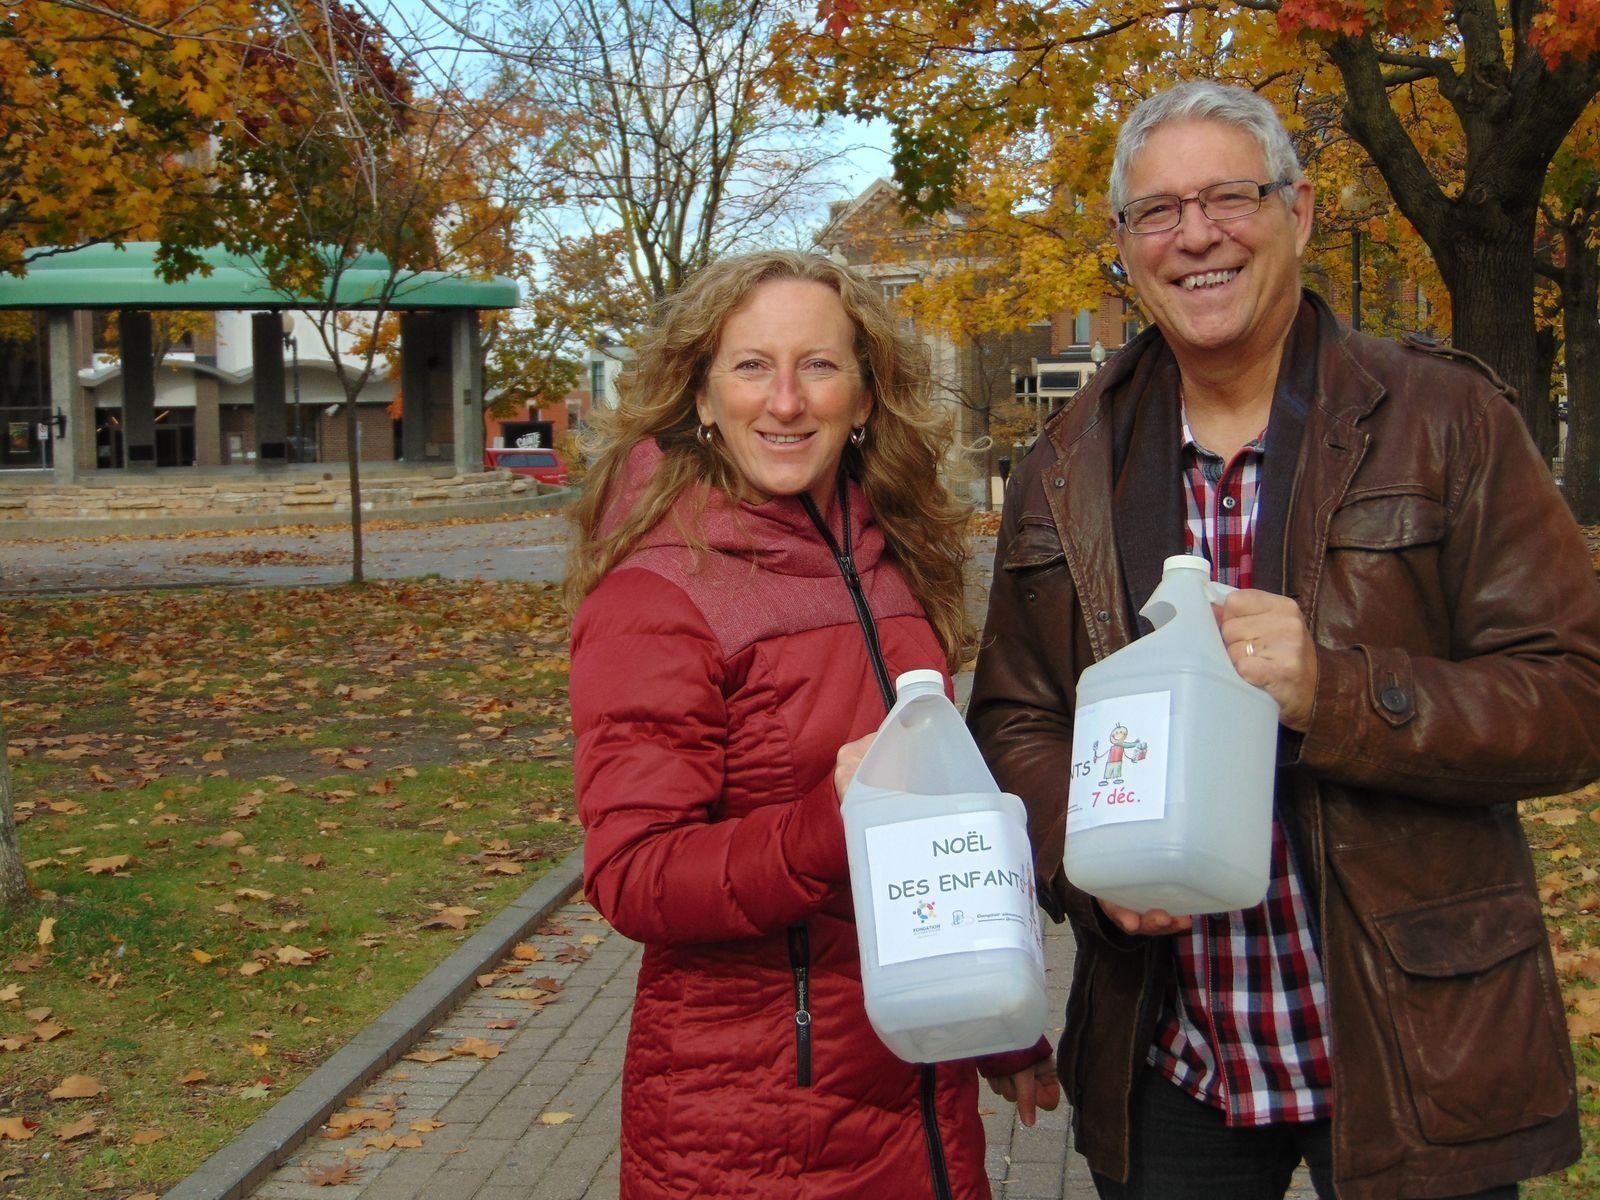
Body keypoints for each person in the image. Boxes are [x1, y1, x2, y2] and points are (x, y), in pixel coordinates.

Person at [967, 80, 1600, 1200]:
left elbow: (1572, 695)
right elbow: (1017, 718)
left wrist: (1337, 692)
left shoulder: (1444, 419)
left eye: (1226, 197)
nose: (1194, 234)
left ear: (1297, 213)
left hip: (1413, 1043)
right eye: (1156, 213)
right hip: (1177, 1052)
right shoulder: (1063, 471)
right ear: (1123, 247)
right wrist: (1088, 858)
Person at [567, 249, 1057, 1200]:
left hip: (914, 1093)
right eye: (751, 366)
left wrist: (998, 1024)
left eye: (819, 366)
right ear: (701, 398)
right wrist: (832, 822)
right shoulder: (659, 592)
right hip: (755, 1125)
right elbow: (632, 873)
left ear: (867, 397)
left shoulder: (891, 565)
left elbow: (939, 828)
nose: (785, 401)